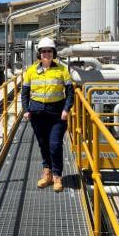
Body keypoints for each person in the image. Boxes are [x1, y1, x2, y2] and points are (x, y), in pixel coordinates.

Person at [21, 37, 74, 192]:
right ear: (39, 53)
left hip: (57, 114)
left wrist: (66, 109)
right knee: (43, 144)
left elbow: (70, 93)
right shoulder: (31, 71)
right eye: (43, 51)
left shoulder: (62, 70)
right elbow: (24, 93)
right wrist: (26, 110)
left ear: (53, 53)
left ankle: (57, 176)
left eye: (49, 51)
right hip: (37, 114)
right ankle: (47, 174)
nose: (46, 54)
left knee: (55, 145)